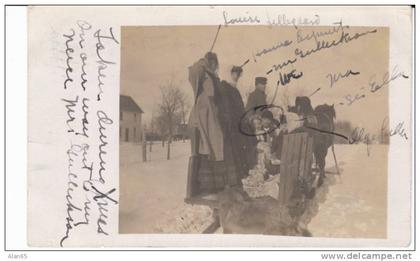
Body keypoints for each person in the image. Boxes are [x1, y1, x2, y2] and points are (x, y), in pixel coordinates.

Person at [218, 66, 250, 179]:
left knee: (239, 148)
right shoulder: (225, 87)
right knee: (232, 150)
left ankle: (240, 173)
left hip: (237, 124)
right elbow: (226, 107)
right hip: (230, 124)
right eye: (235, 74)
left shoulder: (235, 89)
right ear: (231, 73)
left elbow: (240, 107)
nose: (237, 77)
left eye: (239, 75)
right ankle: (234, 176)